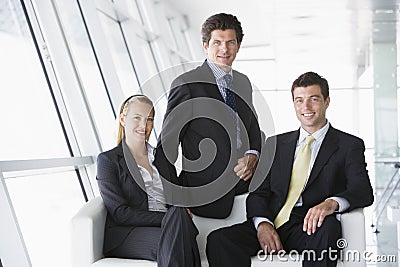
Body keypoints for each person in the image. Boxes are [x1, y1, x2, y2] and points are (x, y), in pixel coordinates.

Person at [206, 72, 374, 267]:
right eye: (299, 100)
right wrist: (263, 224)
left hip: (311, 227)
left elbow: (362, 190)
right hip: (273, 222)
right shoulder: (275, 144)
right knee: (219, 240)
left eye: (314, 99)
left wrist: (331, 203)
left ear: (327, 102)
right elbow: (258, 193)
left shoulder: (348, 145)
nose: (306, 107)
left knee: (329, 228)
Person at [155, 13, 262, 219]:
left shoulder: (243, 82)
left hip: (247, 188)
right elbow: (166, 148)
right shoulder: (187, 85)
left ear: (238, 46)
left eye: (230, 42)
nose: (224, 49)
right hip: (205, 196)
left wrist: (253, 154)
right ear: (205, 46)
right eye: (217, 42)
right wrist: (175, 200)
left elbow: (253, 128)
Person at [96, 95, 200, 267]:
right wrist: (167, 219)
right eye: (137, 118)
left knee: (178, 222)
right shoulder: (108, 160)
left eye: (149, 119)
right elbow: (121, 213)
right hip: (128, 232)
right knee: (179, 241)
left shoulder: (161, 158)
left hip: (170, 226)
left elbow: (176, 198)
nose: (144, 125)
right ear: (123, 119)